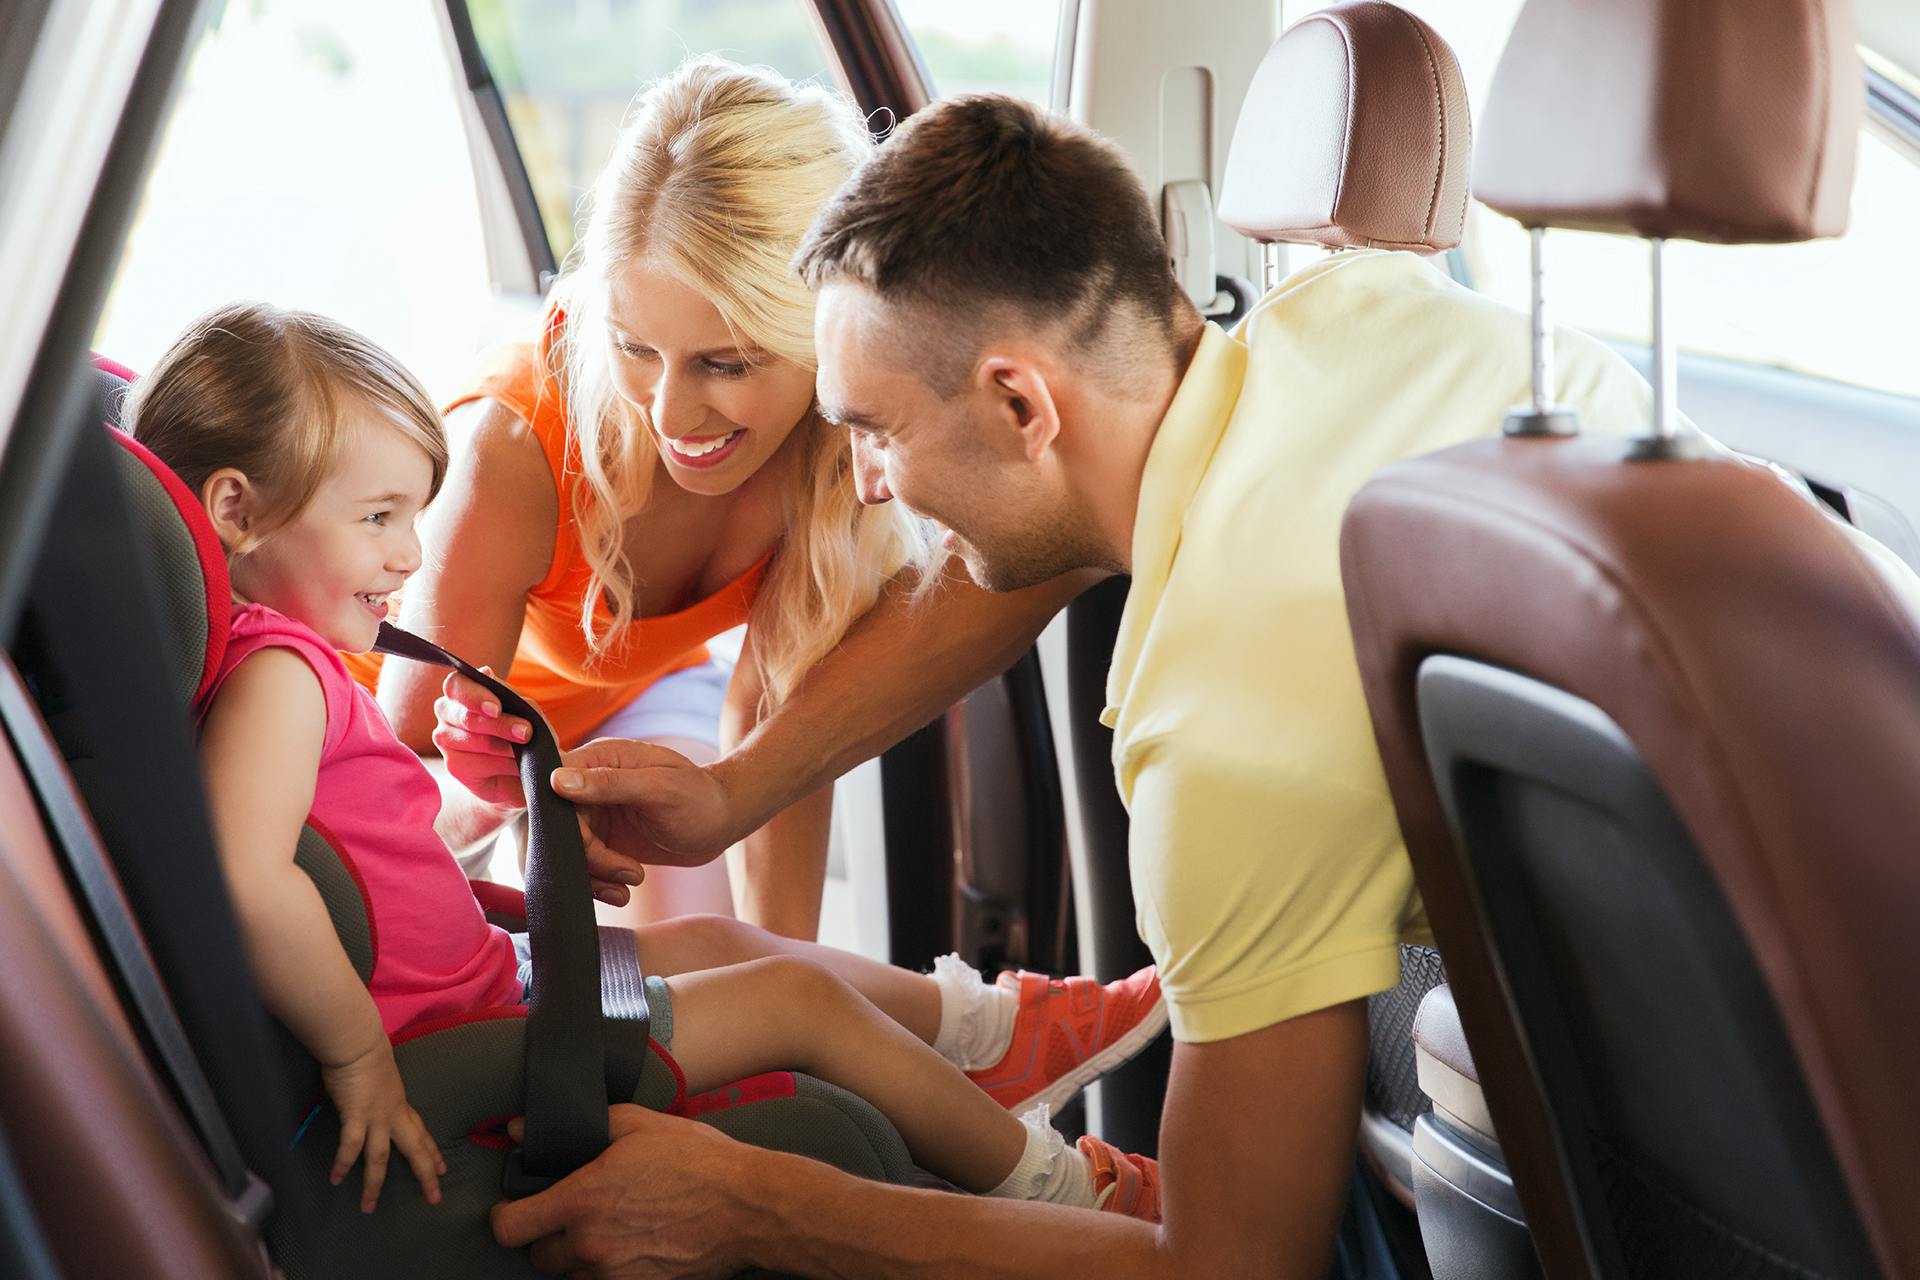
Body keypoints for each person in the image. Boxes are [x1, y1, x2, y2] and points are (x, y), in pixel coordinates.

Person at [479, 93, 1824, 1277]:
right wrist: (731, 792)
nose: (871, 482)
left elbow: (1236, 1270)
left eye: (877, 431)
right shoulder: (1358, 321)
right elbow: (1005, 577)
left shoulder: (1226, 742)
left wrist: (760, 1209)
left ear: (1021, 404)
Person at [137, 301, 1170, 1223]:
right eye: (377, 518)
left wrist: (516, 886)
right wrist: (359, 1051)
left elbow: (361, 871)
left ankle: (994, 1030)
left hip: (491, 984)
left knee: (715, 932)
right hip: (477, 1039)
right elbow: (247, 873)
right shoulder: (280, 676)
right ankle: (1068, 1188)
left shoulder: (260, 668)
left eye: (413, 513)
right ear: (234, 511)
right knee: (794, 1002)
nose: (410, 553)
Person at [371, 57, 1087, 938]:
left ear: (825, 334)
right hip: (438, 758)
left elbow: (778, 725)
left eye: (726, 363)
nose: (669, 412)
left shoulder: (832, 450)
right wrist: (512, 803)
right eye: (635, 347)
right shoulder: (515, 445)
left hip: (633, 708)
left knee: (709, 969)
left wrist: (785, 973)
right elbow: (403, 754)